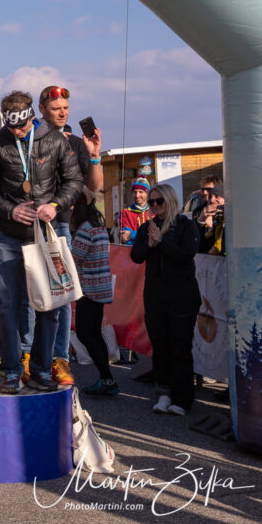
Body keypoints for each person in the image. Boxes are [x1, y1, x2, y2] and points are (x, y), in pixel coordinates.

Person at [0, 90, 82, 393]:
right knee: (8, 306)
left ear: (32, 117)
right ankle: (12, 370)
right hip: (7, 236)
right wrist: (10, 210)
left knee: (50, 304)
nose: (18, 133)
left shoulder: (55, 140)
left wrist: (56, 206)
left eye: (22, 127)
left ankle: (41, 368)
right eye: (12, 128)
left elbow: (74, 180)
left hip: (46, 235)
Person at [37, 85, 104, 387]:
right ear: (42, 110)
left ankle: (60, 358)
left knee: (63, 295)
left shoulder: (75, 141)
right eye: (56, 109)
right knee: (34, 293)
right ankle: (32, 356)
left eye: (65, 108)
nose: (62, 113)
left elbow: (95, 187)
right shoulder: (33, 138)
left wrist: (94, 156)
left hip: (63, 224)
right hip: (34, 223)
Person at [130, 184, 201, 416]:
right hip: (155, 295)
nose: (155, 206)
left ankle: (182, 397)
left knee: (180, 346)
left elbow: (186, 254)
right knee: (160, 345)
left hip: (182, 295)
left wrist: (161, 242)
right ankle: (164, 393)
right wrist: (150, 245)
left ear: (170, 201)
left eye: (159, 201)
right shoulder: (146, 228)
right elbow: (135, 256)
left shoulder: (185, 225)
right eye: (151, 202)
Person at [70, 197, 118, 396]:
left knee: (86, 334)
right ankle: (107, 378)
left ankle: (107, 378)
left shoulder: (85, 230)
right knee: (94, 334)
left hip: (89, 289)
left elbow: (74, 258)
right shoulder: (98, 227)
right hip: (100, 287)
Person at [119, 178, 151, 245]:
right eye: (135, 192)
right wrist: (148, 236)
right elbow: (126, 239)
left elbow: (160, 235)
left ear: (147, 193)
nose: (137, 195)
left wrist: (132, 234)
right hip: (134, 250)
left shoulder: (154, 211)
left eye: (140, 192)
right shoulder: (125, 213)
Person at [197, 181, 226, 255]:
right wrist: (201, 222)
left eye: (217, 196)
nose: (212, 200)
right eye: (210, 197)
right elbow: (200, 247)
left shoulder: (231, 219)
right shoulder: (209, 216)